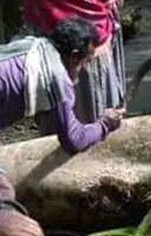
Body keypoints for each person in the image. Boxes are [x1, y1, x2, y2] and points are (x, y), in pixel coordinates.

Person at [0, 18, 125, 236]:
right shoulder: (55, 76)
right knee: (11, 216)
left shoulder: (32, 45)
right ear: (74, 55)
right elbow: (73, 139)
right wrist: (106, 123)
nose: (85, 68)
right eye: (85, 61)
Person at [25, 0, 126, 124]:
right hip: (63, 65)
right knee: (68, 118)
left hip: (98, 59)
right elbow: (36, 29)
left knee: (103, 113)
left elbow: (114, 6)